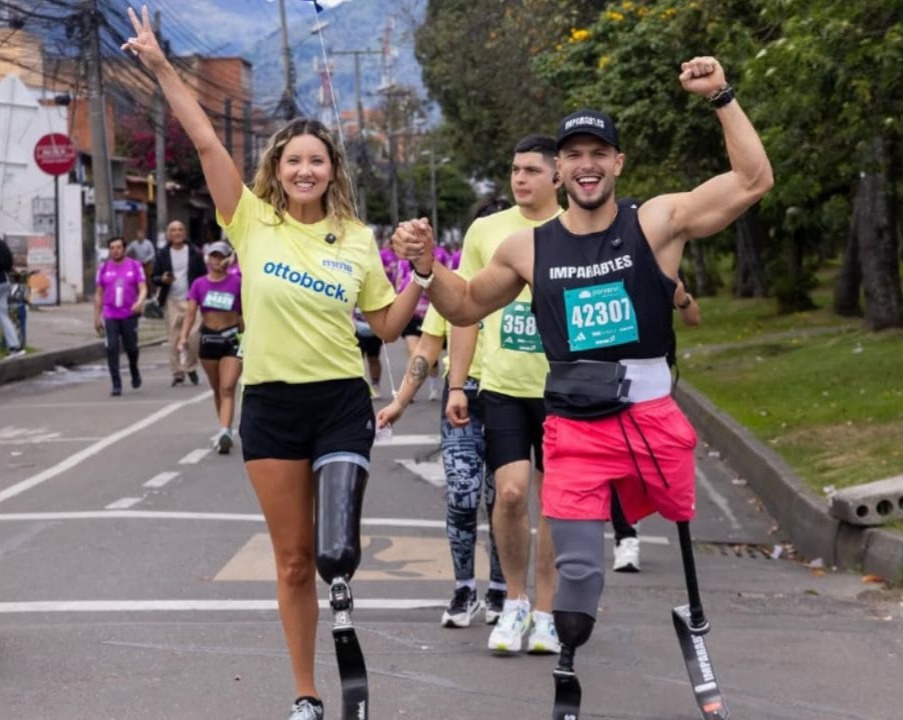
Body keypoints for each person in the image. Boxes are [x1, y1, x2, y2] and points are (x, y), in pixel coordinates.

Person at [393, 56, 772, 694]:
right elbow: (463, 305)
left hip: (652, 423)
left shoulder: (655, 222)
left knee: (675, 517)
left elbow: (752, 180)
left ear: (617, 163)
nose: (587, 163)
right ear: (560, 169)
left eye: (600, 152)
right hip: (577, 427)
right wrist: (429, 267)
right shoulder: (528, 247)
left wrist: (722, 97)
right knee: (575, 570)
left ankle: (685, 637)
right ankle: (565, 657)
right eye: (574, 154)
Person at [123, 8, 427, 720]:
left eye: (315, 160)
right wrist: (164, 67)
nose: (303, 169)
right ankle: (306, 692)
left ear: (330, 171)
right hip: (271, 407)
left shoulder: (355, 239)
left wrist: (416, 272)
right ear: (276, 169)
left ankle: (343, 587)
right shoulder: (250, 222)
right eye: (292, 160)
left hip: (340, 405)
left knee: (333, 548)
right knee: (292, 561)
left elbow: (384, 323)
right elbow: (202, 139)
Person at [448, 135, 563, 655]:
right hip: (504, 387)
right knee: (512, 493)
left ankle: (545, 611)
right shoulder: (487, 231)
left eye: (532, 171)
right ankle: (513, 601)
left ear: (558, 176)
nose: (520, 179)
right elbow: (465, 308)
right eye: (515, 169)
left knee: (554, 505)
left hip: (564, 389)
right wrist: (457, 382)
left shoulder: (576, 227)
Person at [375, 303, 505, 628]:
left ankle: (503, 589)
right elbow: (428, 345)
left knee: (503, 498)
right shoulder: (455, 284)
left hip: (510, 396)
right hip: (464, 398)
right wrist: (400, 401)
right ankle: (465, 589)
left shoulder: (520, 272)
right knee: (462, 494)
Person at [611, 273, 701, 572]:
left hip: (654, 383)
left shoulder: (663, 267)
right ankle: (626, 538)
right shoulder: (606, 266)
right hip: (612, 377)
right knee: (617, 463)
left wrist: (682, 299)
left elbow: (693, 318)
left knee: (652, 462)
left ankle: (648, 520)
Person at [177, 240, 243, 454]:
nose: (217, 260)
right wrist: (183, 337)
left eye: (220, 256)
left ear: (228, 258)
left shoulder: (237, 283)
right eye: (213, 256)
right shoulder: (199, 284)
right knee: (217, 389)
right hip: (208, 339)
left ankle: (224, 431)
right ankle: (224, 427)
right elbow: (190, 313)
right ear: (208, 258)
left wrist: (251, 338)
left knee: (227, 387)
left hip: (231, 338)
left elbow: (245, 314)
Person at [152, 219, 206, 386]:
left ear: (185, 233)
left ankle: (190, 367)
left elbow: (203, 277)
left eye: (180, 230)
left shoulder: (194, 253)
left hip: (192, 300)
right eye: (173, 230)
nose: (177, 233)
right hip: (172, 301)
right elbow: (153, 277)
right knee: (174, 338)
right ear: (169, 234)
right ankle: (177, 373)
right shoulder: (162, 254)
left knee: (193, 337)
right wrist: (162, 279)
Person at [93, 235, 147, 395]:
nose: (115, 251)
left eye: (118, 247)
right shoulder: (103, 269)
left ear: (124, 249)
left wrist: (140, 302)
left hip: (129, 314)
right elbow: (98, 294)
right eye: (112, 248)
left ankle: (134, 369)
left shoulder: (135, 266)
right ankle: (116, 383)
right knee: (112, 347)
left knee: (131, 348)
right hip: (110, 314)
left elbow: (143, 287)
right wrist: (97, 317)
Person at [0, 237, 25, 357]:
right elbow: (9, 263)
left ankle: (14, 347)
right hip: (4, 282)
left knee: (3, 315)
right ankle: (15, 346)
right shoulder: (2, 244)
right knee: (3, 316)